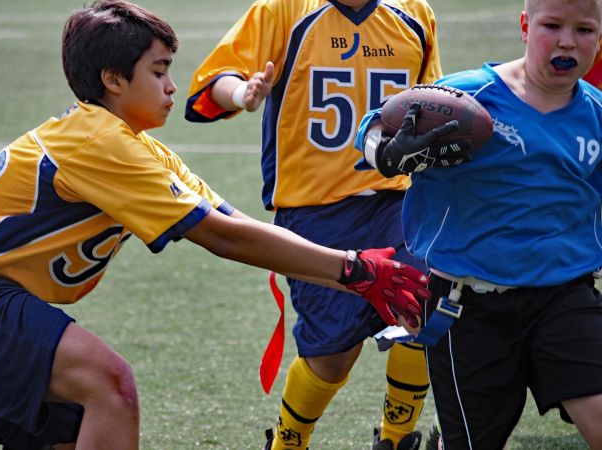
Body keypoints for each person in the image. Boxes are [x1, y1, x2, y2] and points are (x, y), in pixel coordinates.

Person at [0, 1, 433, 449]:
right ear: (113, 79)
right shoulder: (99, 142)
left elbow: (233, 222)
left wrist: (359, 275)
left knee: (71, 429)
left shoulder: (140, 148)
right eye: (159, 71)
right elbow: (221, 238)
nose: (171, 86)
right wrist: (353, 269)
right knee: (109, 385)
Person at [185, 1, 468, 449]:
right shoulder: (284, 9)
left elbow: (429, 100)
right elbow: (214, 79)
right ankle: (288, 440)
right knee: (332, 355)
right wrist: (242, 93)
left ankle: (396, 437)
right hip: (312, 210)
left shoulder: (413, 12)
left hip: (396, 199)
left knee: (422, 306)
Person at [355, 0, 602, 448]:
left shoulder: (597, 114)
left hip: (565, 295)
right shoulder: (469, 95)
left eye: (585, 30)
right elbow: (374, 126)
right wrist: (386, 152)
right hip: (467, 304)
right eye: (553, 25)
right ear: (525, 26)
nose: (568, 41)